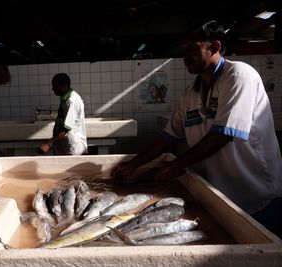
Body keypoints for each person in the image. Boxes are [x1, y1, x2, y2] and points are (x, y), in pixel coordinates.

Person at [111, 20, 282, 238]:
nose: (186, 55)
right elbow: (168, 136)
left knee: (264, 251)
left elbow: (224, 134)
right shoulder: (191, 93)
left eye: (194, 48)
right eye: (183, 49)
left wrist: (177, 164)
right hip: (219, 194)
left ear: (215, 47)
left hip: (255, 192)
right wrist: (134, 164)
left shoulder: (238, 76)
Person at [38, 73, 87, 155]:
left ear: (64, 86)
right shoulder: (66, 99)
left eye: (55, 86)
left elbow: (66, 128)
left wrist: (49, 143)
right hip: (65, 146)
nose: (53, 89)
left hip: (72, 148)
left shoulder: (72, 101)